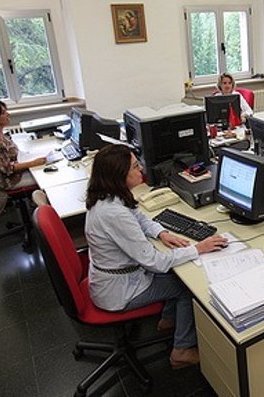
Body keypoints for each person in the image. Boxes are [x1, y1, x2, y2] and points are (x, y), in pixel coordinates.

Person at [84, 144, 228, 369]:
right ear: (119, 175)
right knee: (186, 288)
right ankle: (181, 350)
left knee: (175, 276)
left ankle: (168, 322)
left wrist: (161, 232)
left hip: (118, 275)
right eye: (134, 166)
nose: (141, 167)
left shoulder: (109, 197)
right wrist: (198, 248)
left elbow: (139, 217)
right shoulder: (113, 213)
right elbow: (155, 262)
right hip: (118, 291)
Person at [0, 101, 45, 189]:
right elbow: (7, 169)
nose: (8, 114)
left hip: (17, 165)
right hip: (12, 179)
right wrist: (34, 163)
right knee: (44, 173)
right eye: (3, 113)